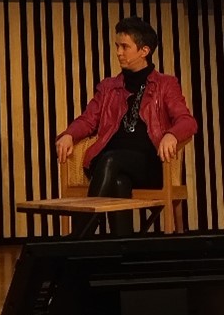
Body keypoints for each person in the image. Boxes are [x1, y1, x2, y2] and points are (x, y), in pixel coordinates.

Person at [55, 16, 198, 235]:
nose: (118, 52)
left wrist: (171, 135)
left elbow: (187, 121)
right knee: (119, 182)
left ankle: (78, 240)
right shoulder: (108, 87)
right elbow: (88, 119)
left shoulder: (165, 84)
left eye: (124, 47)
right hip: (109, 161)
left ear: (144, 51)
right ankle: (122, 247)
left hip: (148, 164)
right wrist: (69, 134)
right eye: (117, 46)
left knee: (112, 160)